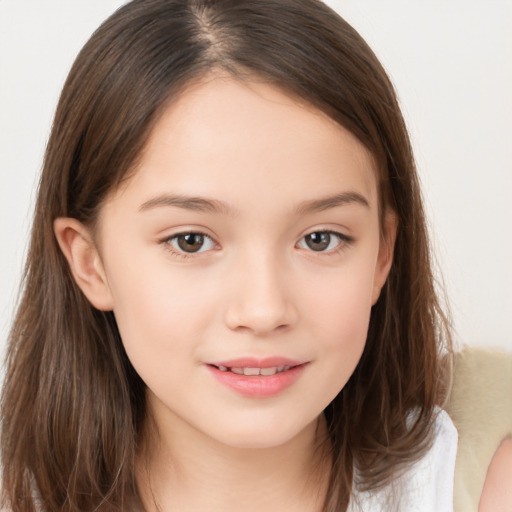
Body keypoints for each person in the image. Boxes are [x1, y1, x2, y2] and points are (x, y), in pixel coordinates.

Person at [1, 1, 510, 511]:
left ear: (383, 254)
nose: (264, 310)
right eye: (191, 241)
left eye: (320, 239)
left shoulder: (480, 481)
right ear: (91, 263)